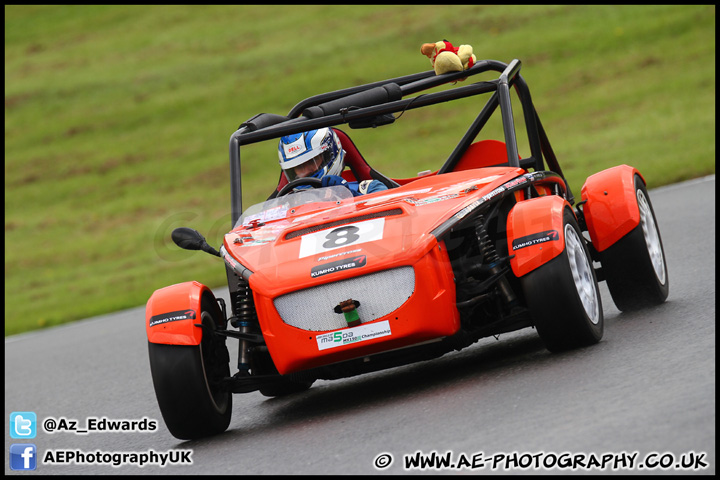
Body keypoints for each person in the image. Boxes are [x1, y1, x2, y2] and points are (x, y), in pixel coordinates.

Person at [277, 128, 388, 197]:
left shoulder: (369, 189)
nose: (306, 171)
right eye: (299, 167)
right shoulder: (285, 206)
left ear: (331, 155)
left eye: (311, 162)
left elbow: (388, 214)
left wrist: (348, 195)